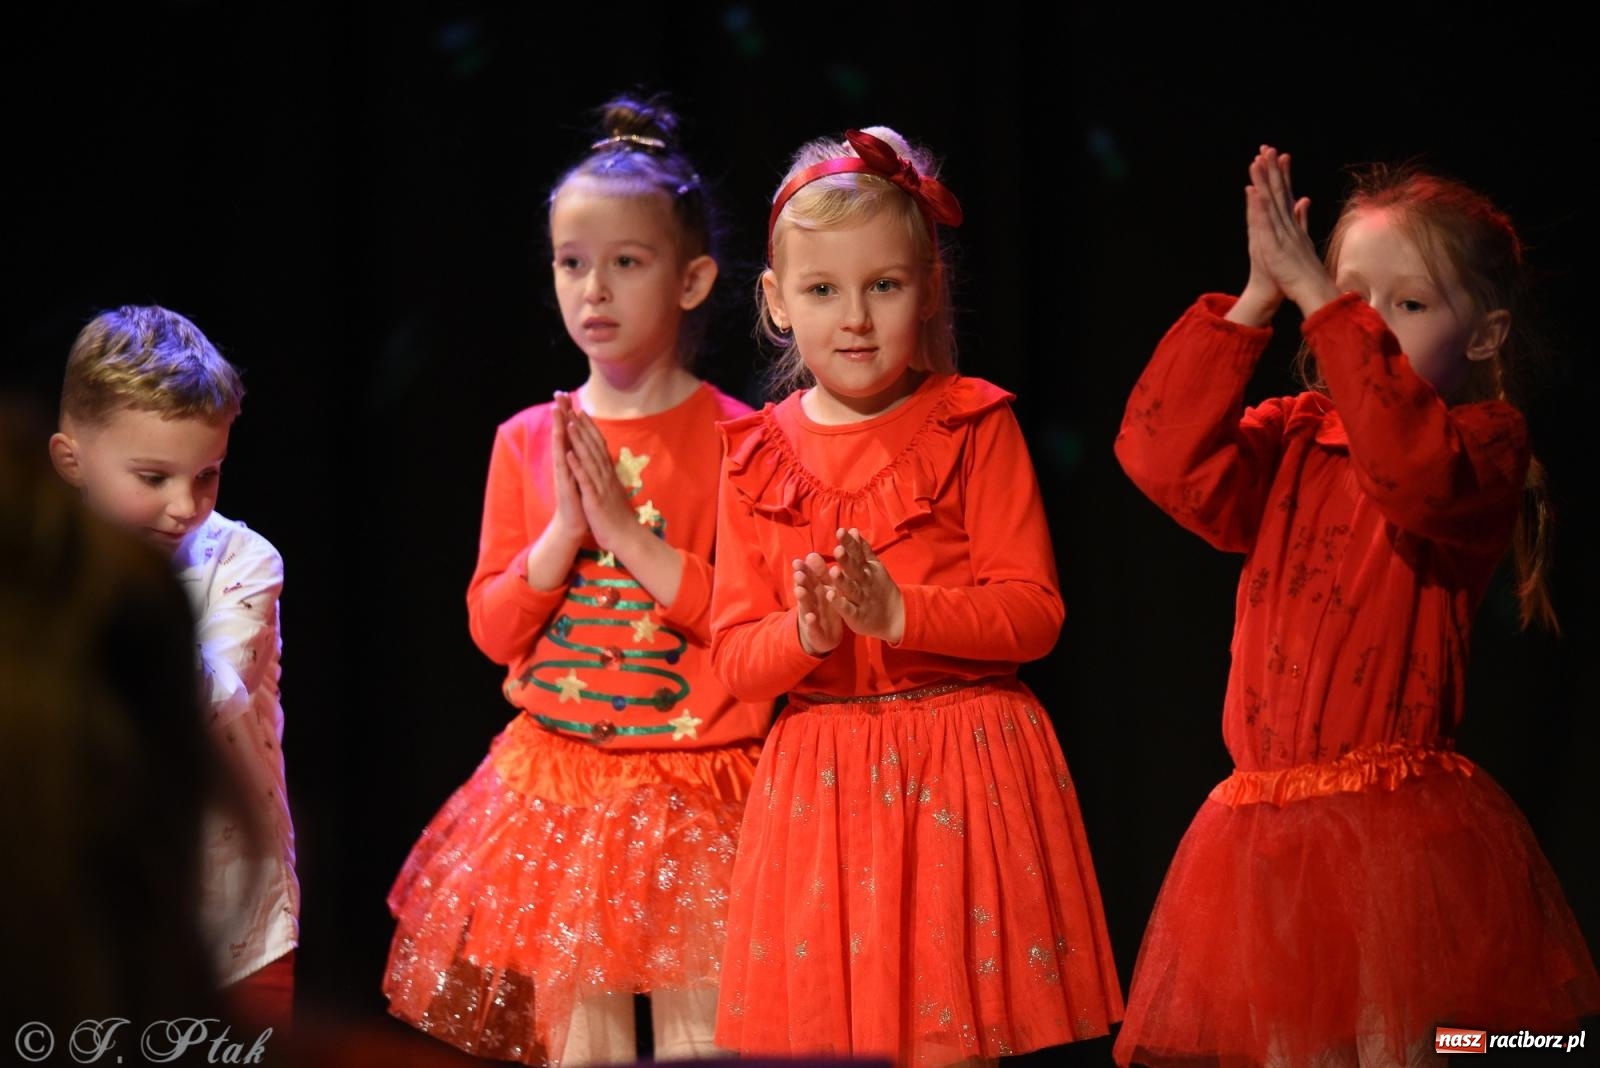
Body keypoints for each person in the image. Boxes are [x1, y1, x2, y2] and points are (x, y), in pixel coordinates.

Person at [1112, 146, 1600, 1066]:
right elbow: (1158, 455)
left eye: (1406, 305)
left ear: (1486, 335)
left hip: (1395, 833)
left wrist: (1324, 303)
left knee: (1401, 1044)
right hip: (1264, 832)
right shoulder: (1292, 435)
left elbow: (1413, 475)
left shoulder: (1481, 444)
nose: (1366, 324)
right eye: (1349, 296)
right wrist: (1258, 299)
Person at [709, 126, 1124, 1066]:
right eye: (823, 290)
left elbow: (1034, 613)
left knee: (949, 1042)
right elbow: (735, 658)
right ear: (776, 301)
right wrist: (806, 633)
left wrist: (902, 615)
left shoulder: (972, 423)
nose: (855, 318)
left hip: (959, 774)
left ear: (930, 287)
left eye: (884, 286)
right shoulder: (751, 456)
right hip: (824, 792)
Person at [383, 94, 773, 1066]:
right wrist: (565, 530)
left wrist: (626, 536)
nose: (592, 289)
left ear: (691, 280)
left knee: (699, 1037)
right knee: (580, 1045)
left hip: (696, 786)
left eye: (625, 262)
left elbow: (749, 622)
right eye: (570, 262)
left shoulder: (743, 439)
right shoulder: (528, 439)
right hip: (561, 788)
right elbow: (493, 628)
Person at [46, 306, 301, 1034]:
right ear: (71, 460)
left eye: (208, 475)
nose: (185, 506)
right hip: (92, 918)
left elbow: (207, 697)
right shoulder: (43, 566)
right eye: (153, 477)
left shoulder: (242, 563)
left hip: (234, 926)